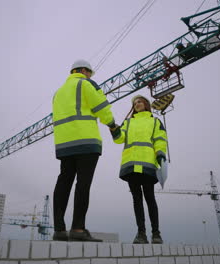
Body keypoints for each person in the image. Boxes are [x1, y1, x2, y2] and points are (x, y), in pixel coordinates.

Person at [52, 59, 118, 242]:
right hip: (86, 141)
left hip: (64, 143)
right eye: (89, 72)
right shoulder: (86, 83)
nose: (90, 76)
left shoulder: (58, 92)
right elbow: (101, 107)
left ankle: (59, 230)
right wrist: (112, 124)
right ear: (83, 71)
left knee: (64, 182)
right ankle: (78, 229)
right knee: (83, 183)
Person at [111, 95, 167, 244]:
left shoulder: (154, 121)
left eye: (139, 101)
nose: (137, 104)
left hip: (147, 164)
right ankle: (141, 233)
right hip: (130, 165)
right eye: (135, 103)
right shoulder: (128, 122)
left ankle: (156, 233)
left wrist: (161, 155)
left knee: (149, 198)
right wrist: (114, 129)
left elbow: (160, 139)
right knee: (137, 199)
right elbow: (119, 139)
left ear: (146, 104)